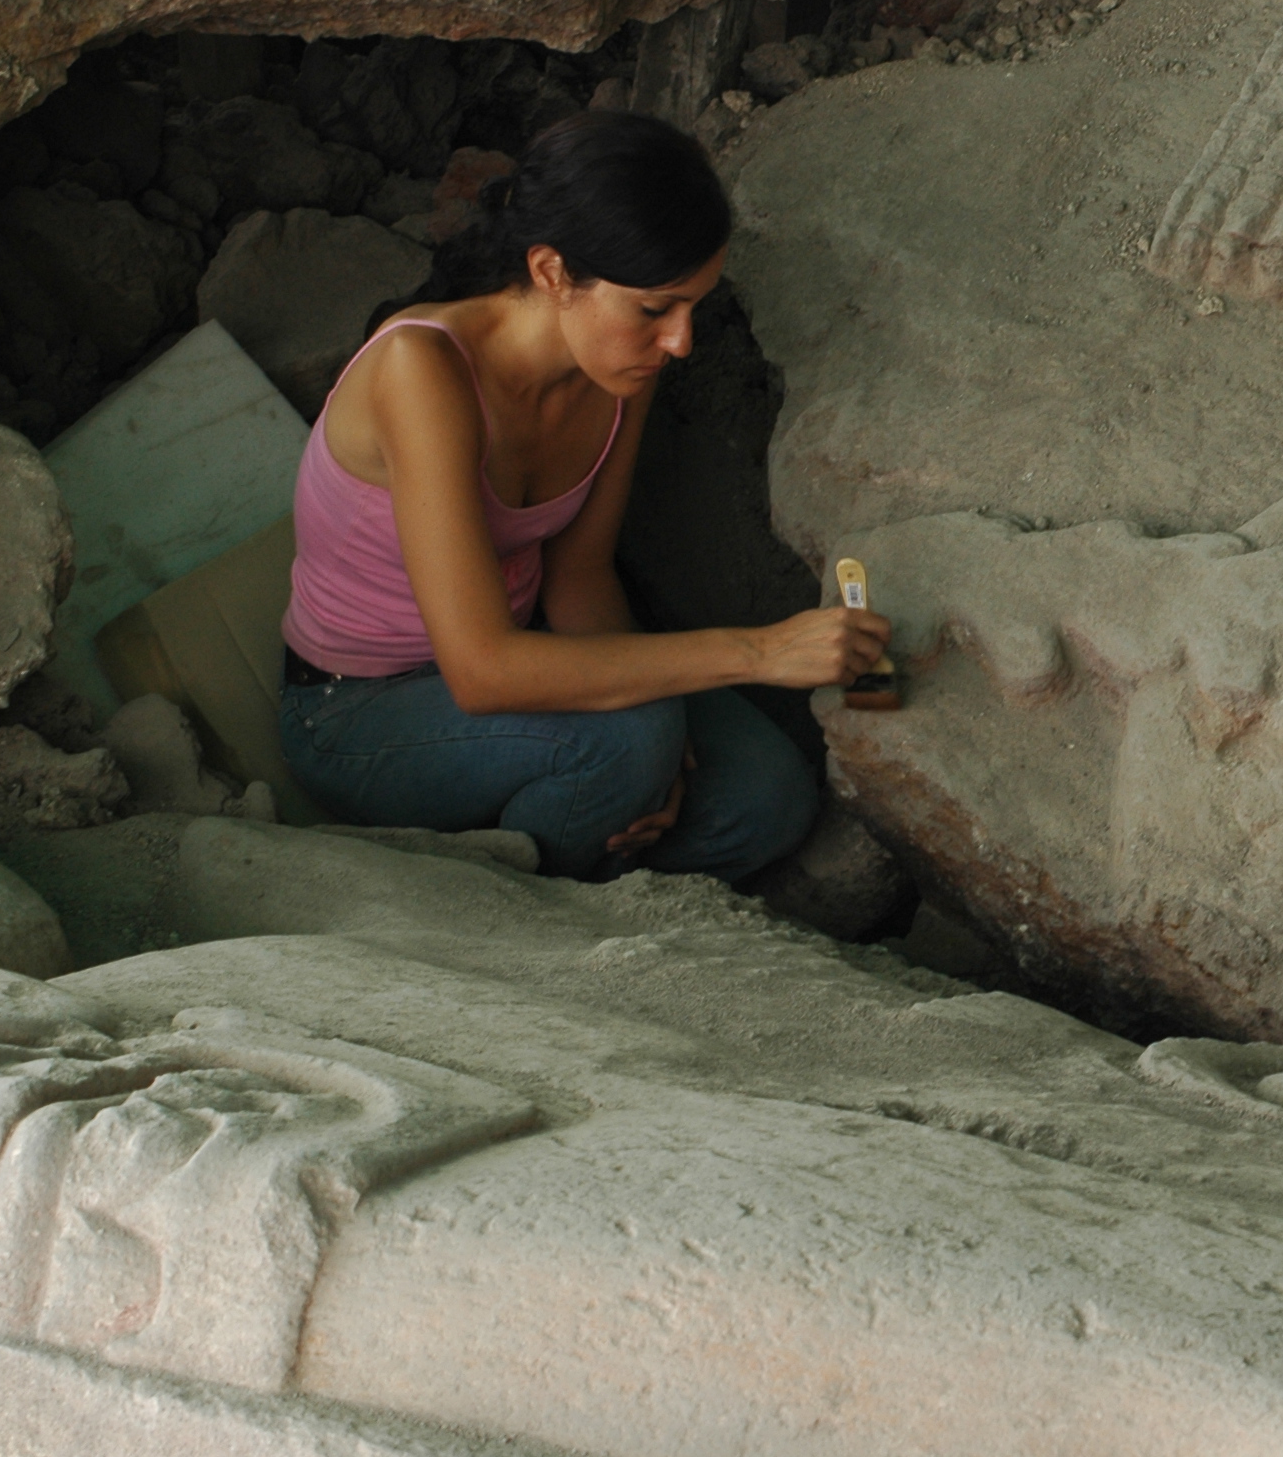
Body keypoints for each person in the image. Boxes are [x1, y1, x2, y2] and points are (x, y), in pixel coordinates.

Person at [274, 111, 887, 884]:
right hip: (357, 710)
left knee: (767, 798)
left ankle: (550, 842)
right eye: (655, 309)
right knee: (629, 740)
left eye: (694, 305)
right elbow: (483, 672)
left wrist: (657, 751)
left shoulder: (617, 371)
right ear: (553, 272)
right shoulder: (421, 371)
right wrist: (759, 653)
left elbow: (580, 573)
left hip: (527, 658)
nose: (681, 342)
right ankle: (523, 915)